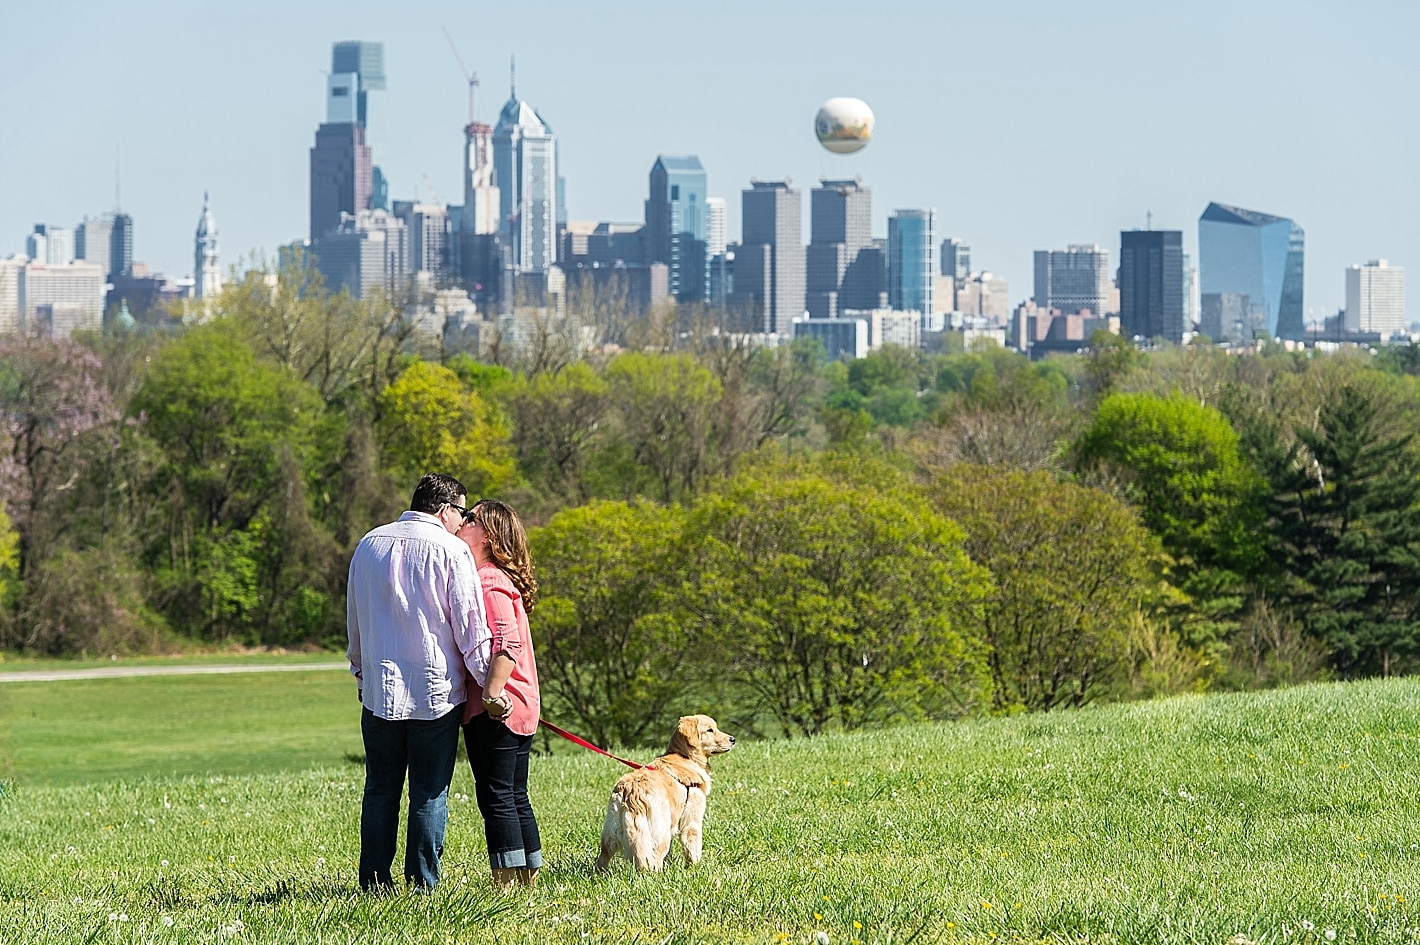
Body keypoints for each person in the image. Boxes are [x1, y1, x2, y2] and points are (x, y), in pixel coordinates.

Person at [346, 473, 488, 891]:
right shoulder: (452, 550)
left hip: (379, 690)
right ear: (445, 510)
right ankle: (423, 883)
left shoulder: (369, 543)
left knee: (380, 789)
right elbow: (470, 628)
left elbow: (355, 619)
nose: (463, 523)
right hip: (435, 690)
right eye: (461, 513)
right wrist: (493, 687)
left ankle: (373, 881)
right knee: (429, 793)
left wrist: (360, 671)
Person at [458, 498, 544, 890]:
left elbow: (506, 644)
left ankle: (506, 885)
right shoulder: (500, 578)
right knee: (514, 793)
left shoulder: (488, 581)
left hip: (500, 709)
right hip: (522, 705)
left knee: (496, 797)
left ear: (488, 536)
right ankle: (529, 880)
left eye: (470, 518)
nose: (462, 521)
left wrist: (492, 695)